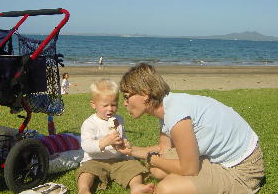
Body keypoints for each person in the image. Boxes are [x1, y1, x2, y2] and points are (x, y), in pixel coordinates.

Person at [117, 63, 265, 194]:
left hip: (242, 171)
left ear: (144, 94)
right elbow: (164, 149)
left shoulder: (177, 116)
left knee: (165, 189)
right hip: (220, 161)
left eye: (126, 96)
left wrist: (152, 159)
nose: (124, 103)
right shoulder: (168, 105)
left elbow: (189, 169)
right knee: (157, 170)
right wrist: (132, 150)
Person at [77, 78, 154, 194]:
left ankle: (136, 186)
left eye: (114, 105)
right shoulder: (89, 123)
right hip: (95, 160)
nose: (110, 109)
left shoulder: (119, 120)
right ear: (94, 105)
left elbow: (123, 137)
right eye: (105, 105)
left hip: (118, 160)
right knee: (86, 172)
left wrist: (125, 143)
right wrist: (105, 142)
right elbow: (86, 146)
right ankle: (84, 189)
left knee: (133, 166)